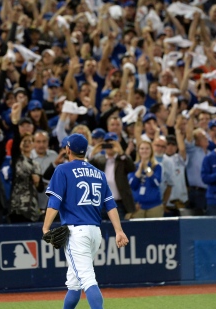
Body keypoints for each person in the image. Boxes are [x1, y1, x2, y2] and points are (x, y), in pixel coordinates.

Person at [42, 134, 129, 309]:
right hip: (95, 233)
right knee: (74, 284)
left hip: (76, 233)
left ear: (68, 149)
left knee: (88, 280)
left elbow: (54, 203)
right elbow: (110, 205)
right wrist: (119, 230)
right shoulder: (99, 174)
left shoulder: (62, 169)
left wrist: (45, 227)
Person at [89, 132, 137, 220]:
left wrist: (121, 152)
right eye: (107, 143)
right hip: (101, 203)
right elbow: (88, 170)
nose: (110, 146)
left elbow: (132, 168)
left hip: (119, 204)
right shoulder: (100, 160)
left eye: (112, 143)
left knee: (119, 230)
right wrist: (92, 154)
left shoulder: (122, 159)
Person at [128, 141, 164, 218]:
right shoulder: (133, 166)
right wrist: (140, 169)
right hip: (137, 205)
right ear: (138, 151)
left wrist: (146, 168)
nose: (144, 151)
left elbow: (156, 183)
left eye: (147, 148)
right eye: (142, 148)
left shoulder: (157, 166)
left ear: (151, 151)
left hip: (154, 206)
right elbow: (132, 185)